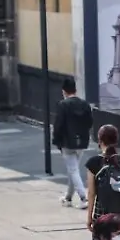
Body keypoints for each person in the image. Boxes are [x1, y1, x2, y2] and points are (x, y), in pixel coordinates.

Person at [52, 79, 93, 209]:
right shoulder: (85, 104)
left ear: (64, 91)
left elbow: (58, 125)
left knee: (73, 170)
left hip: (67, 141)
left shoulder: (63, 105)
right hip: (82, 141)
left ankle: (83, 197)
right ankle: (68, 197)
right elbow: (90, 122)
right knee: (73, 169)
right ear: (75, 90)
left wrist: (56, 140)